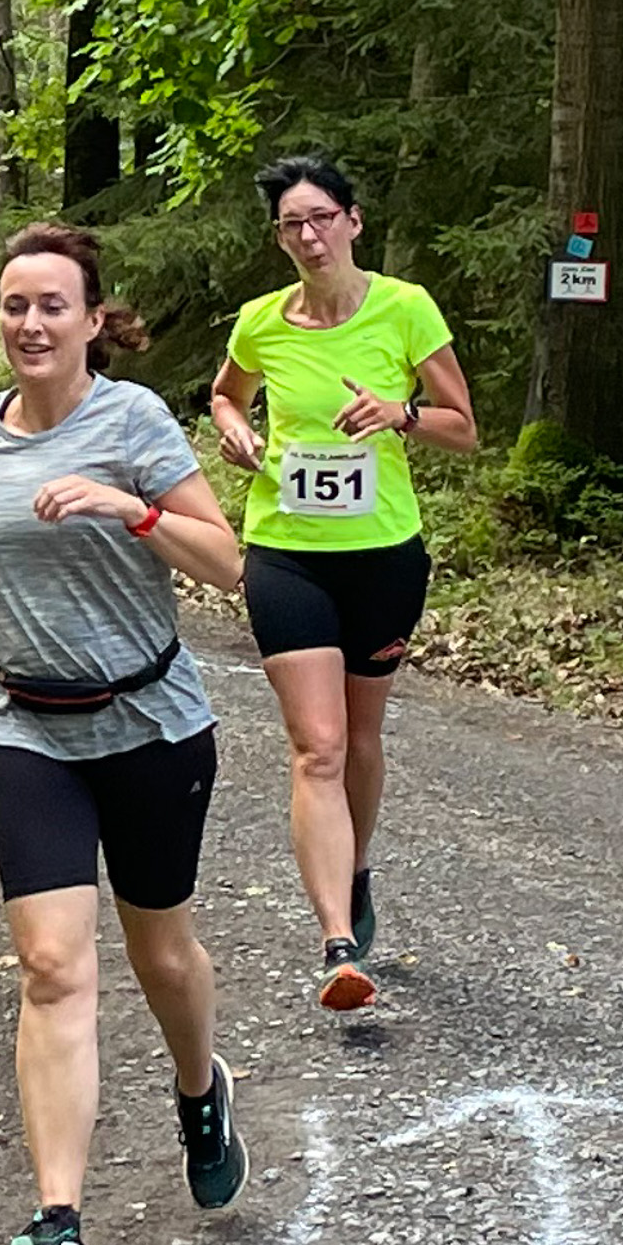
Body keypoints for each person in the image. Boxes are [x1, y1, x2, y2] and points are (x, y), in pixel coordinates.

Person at [0, 222, 248, 1245]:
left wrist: (130, 508)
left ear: (93, 320)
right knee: (54, 967)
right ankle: (58, 1223)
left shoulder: (134, 420)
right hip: (25, 728)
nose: (31, 324)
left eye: (53, 305)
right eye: (15, 305)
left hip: (150, 725)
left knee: (162, 954)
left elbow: (226, 563)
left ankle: (199, 1092)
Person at [207, 152, 478, 1014]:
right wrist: (234, 430)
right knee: (317, 746)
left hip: (383, 554)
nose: (309, 235)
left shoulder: (405, 308)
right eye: (292, 223)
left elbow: (463, 428)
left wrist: (401, 414)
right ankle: (337, 943)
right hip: (285, 552)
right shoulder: (260, 322)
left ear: (353, 222)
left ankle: (355, 870)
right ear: (279, 238)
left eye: (322, 217)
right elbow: (224, 395)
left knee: (360, 739)